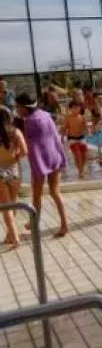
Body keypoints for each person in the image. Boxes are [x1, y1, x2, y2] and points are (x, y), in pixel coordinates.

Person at [15, 94, 68, 238]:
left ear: (23, 107)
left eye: (17, 107)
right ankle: (64, 224)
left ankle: (34, 223)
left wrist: (14, 155)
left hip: (40, 161)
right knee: (55, 192)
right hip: (55, 157)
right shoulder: (45, 115)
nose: (16, 110)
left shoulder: (29, 121)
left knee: (37, 195)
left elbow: (26, 144)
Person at [0, 106, 26, 247]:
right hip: (14, 170)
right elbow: (25, 151)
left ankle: (15, 237)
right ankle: (10, 235)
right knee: (13, 204)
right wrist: (15, 156)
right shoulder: (15, 132)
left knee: (6, 207)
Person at [61, 101, 89, 179]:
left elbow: (85, 127)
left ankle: (81, 169)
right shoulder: (68, 118)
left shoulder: (82, 117)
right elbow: (64, 128)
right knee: (77, 154)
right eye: (74, 108)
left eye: (78, 108)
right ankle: (80, 171)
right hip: (72, 139)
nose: (76, 109)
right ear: (70, 109)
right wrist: (62, 137)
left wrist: (88, 131)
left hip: (81, 137)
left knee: (85, 154)